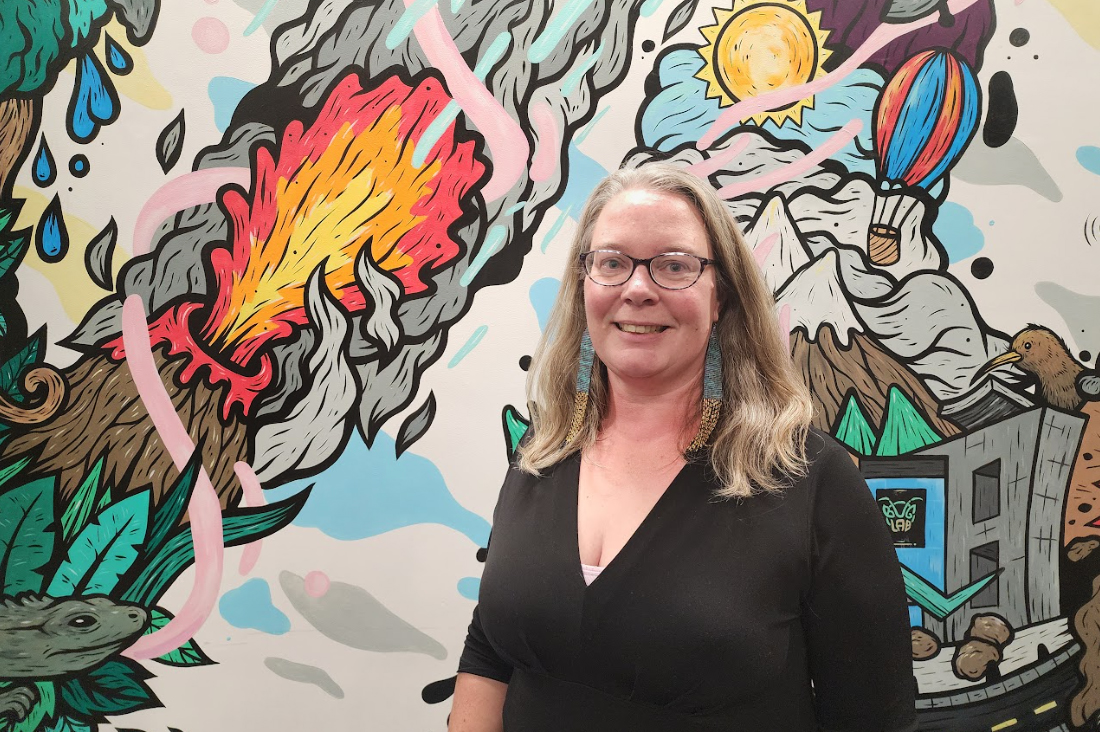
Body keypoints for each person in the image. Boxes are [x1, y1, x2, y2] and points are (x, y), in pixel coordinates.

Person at [449, 163, 916, 731]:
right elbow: (490, 651)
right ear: (583, 285)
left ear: (720, 296)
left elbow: (874, 716)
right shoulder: (541, 452)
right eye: (612, 263)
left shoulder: (808, 479)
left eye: (674, 266)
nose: (638, 289)